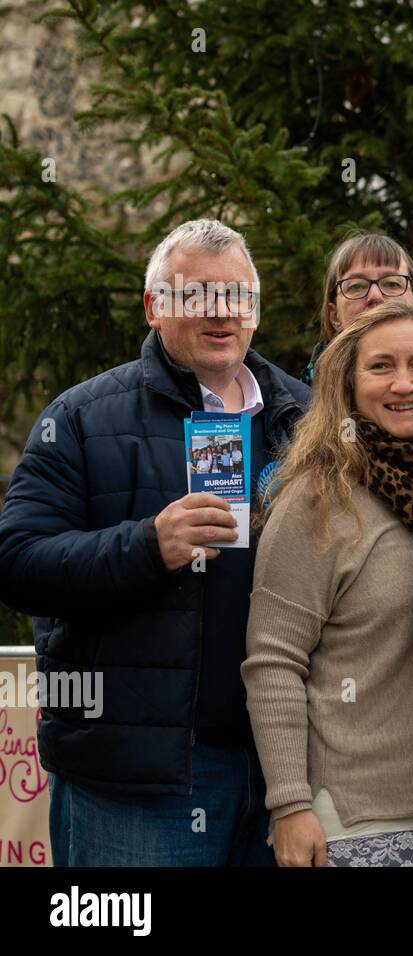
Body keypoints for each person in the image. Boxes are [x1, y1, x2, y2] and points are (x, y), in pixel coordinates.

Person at [0, 218, 310, 866]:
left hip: (288, 771)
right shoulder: (82, 418)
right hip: (137, 782)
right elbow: (17, 562)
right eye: (195, 295)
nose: (220, 312)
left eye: (237, 296)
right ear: (154, 307)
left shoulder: (306, 418)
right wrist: (145, 545)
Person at [243, 300, 413, 867]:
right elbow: (273, 660)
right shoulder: (317, 500)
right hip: (355, 826)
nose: (403, 383)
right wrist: (289, 805)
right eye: (381, 367)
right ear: (347, 385)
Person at [302, 231, 413, 385]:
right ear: (335, 316)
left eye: (391, 283)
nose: (375, 296)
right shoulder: (299, 405)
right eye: (356, 286)